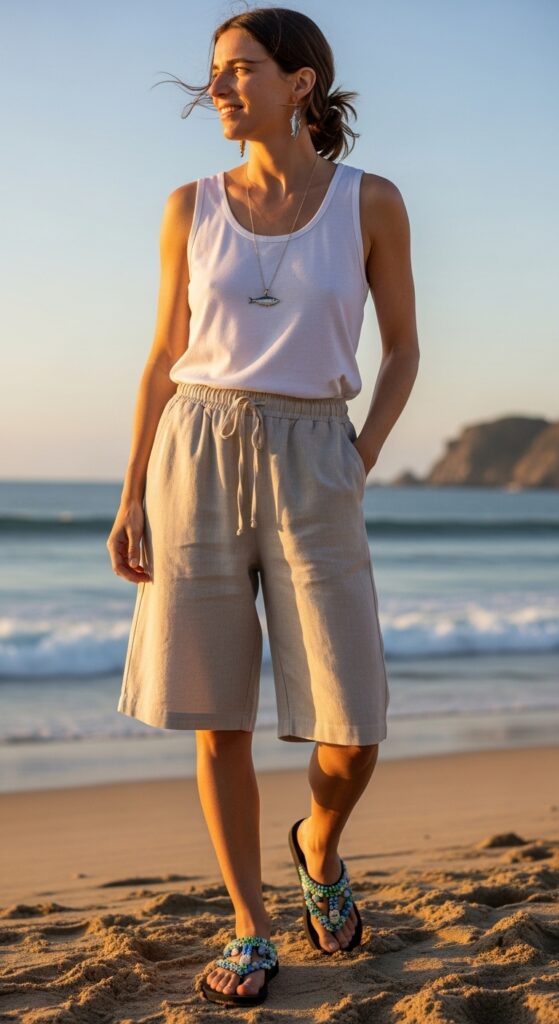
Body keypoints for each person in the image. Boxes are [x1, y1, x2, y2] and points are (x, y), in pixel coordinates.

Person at [107, 5, 419, 1009]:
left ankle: (317, 847)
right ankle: (250, 925)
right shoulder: (187, 204)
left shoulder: (371, 203)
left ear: (301, 85)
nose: (221, 86)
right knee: (215, 717)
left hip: (316, 453)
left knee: (355, 716)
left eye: (243, 69)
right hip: (193, 448)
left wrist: (358, 456)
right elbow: (162, 353)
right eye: (215, 72)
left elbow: (403, 349)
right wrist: (129, 495)